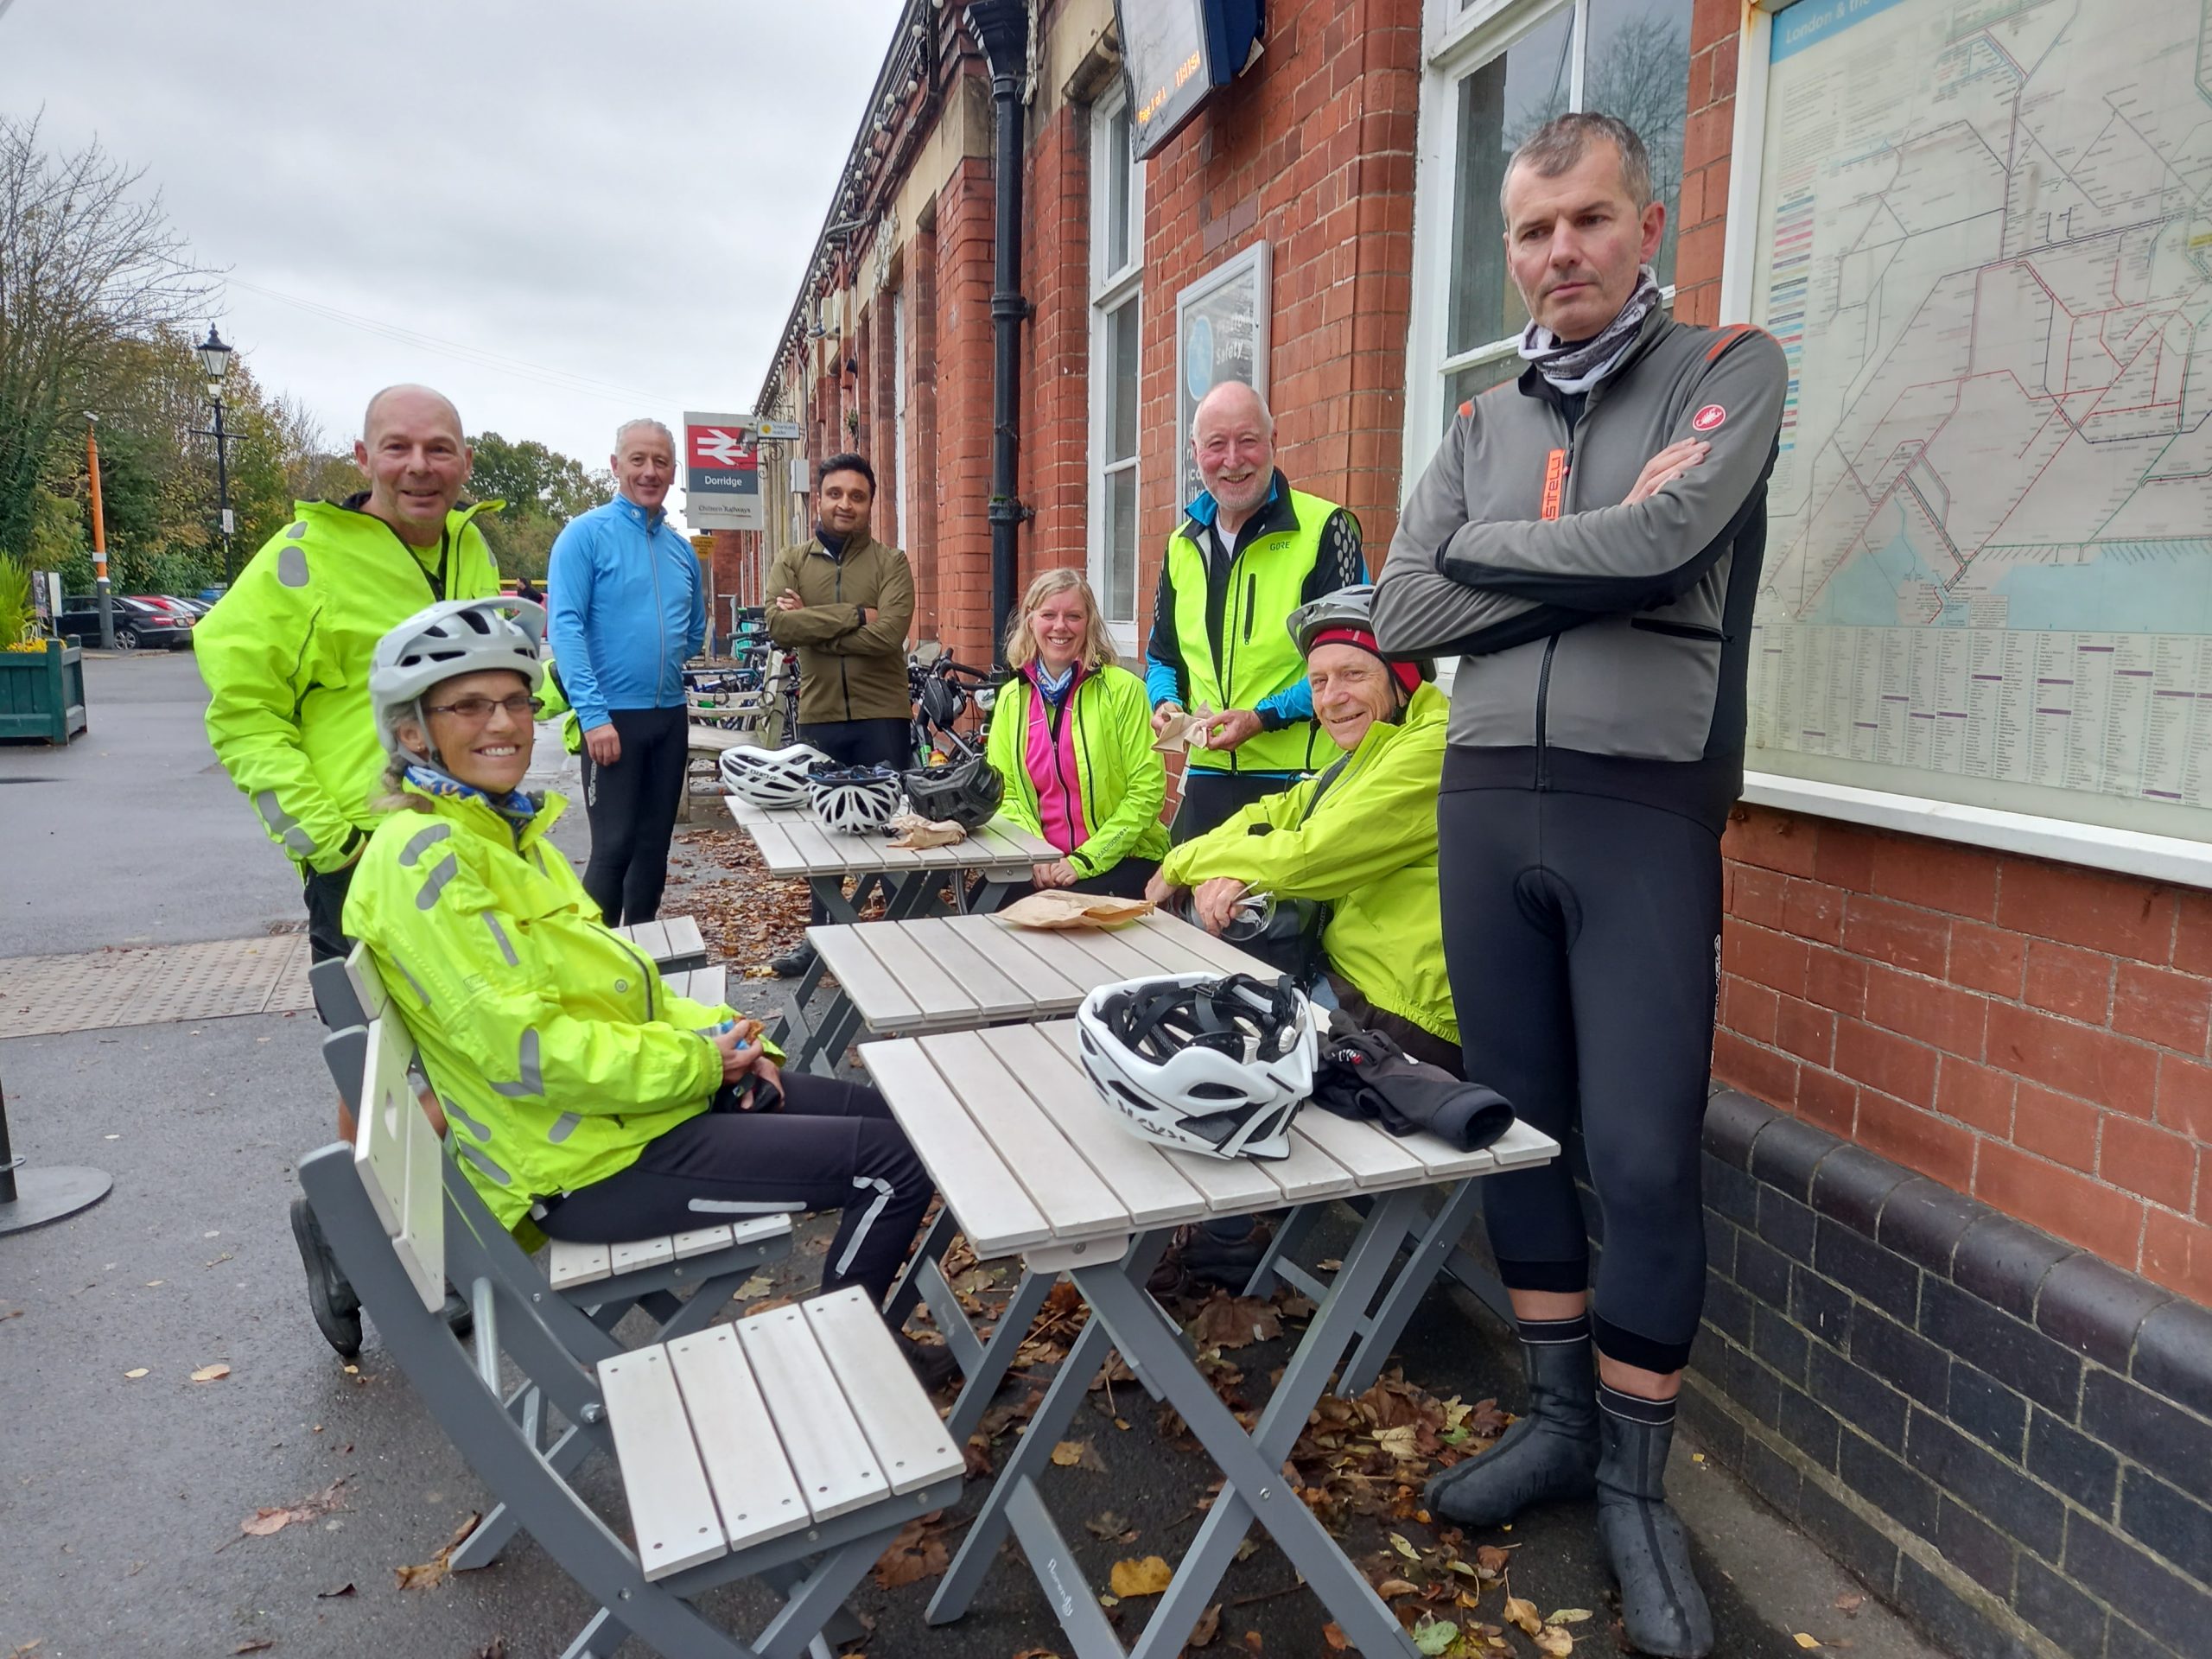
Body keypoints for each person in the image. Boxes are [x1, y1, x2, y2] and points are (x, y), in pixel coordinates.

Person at [1373, 113, 1787, 1659]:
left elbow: (1672, 537)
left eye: (1590, 221)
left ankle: (1636, 1484)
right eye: (1534, 232)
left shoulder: (1728, 368)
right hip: (1487, 806)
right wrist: (1580, 560)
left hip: (1643, 810)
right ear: (1512, 249)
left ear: (1645, 225)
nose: (1561, 253)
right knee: (1518, 1130)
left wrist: (1492, 558)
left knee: (1647, 1156)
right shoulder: (1481, 418)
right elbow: (1396, 608)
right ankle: (1554, 1420)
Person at [343, 596, 948, 1378]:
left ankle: (860, 1336)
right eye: (468, 706)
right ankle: (861, 1364)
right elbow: (527, 1051)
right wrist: (701, 1063)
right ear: (410, 732)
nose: (503, 723)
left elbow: (618, 990)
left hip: (631, 1109)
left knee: (900, 1118)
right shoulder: (429, 861)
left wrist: (728, 1037)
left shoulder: (502, 836)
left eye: (516, 701)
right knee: (892, 1162)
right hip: (587, 1165)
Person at [195, 382, 504, 1355]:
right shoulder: (304, 557)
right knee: (384, 1059)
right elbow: (242, 711)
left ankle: (368, 1223)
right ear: (363, 457)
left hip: (461, 843)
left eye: (440, 448)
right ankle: (371, 1232)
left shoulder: (468, 548)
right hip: (364, 857)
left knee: (449, 1050)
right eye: (398, 447)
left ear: (464, 461)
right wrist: (333, 840)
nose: (421, 467)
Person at [1142, 585, 1452, 1294]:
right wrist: (1207, 864)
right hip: (1350, 988)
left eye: (1353, 675)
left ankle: (1223, 1236)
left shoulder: (1431, 750)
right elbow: (1276, 811)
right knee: (1195, 1009)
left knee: (1211, 1040)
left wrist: (1186, 864)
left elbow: (1311, 853)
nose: (1332, 698)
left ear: (1401, 676)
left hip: (1403, 1020)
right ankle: (1221, 1229)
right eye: (1318, 681)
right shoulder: (1369, 751)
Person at [1144, 381, 1367, 842]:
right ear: (1195, 452)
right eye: (1216, 445)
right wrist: (1165, 703)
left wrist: (1261, 718)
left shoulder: (1327, 529)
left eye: (1247, 440)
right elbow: (1163, 657)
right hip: (1206, 775)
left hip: (1301, 778)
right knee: (1184, 889)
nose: (1232, 460)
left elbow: (1354, 662)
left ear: (1273, 442)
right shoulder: (1180, 545)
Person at [546, 419, 705, 929]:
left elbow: (695, 630)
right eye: (638, 460)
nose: (649, 471)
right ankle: (595, 960)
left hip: (669, 717)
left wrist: (661, 654)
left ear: (674, 472)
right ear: (616, 466)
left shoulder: (681, 551)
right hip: (611, 719)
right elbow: (565, 628)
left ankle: (641, 955)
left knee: (654, 849)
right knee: (613, 848)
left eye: (661, 462)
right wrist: (593, 715)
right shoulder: (584, 536)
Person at [762, 454, 916, 976]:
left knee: (893, 829)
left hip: (883, 716)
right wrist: (854, 615)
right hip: (820, 714)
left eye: (857, 495)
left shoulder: (891, 562)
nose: (845, 504)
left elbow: (889, 635)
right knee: (822, 835)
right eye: (835, 493)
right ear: (819, 500)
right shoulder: (791, 561)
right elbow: (779, 628)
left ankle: (902, 941)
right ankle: (821, 944)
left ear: (870, 504)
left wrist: (811, 624)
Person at [983, 569, 1169, 899]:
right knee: (984, 908)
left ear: (1089, 623)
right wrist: (1035, 854)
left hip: (1123, 857)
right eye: (1049, 615)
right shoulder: (1012, 699)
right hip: (1042, 863)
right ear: (1031, 620)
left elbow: (1147, 791)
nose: (1060, 626)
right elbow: (1004, 792)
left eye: (1073, 616)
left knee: (1061, 913)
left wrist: (1085, 861)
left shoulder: (1124, 691)